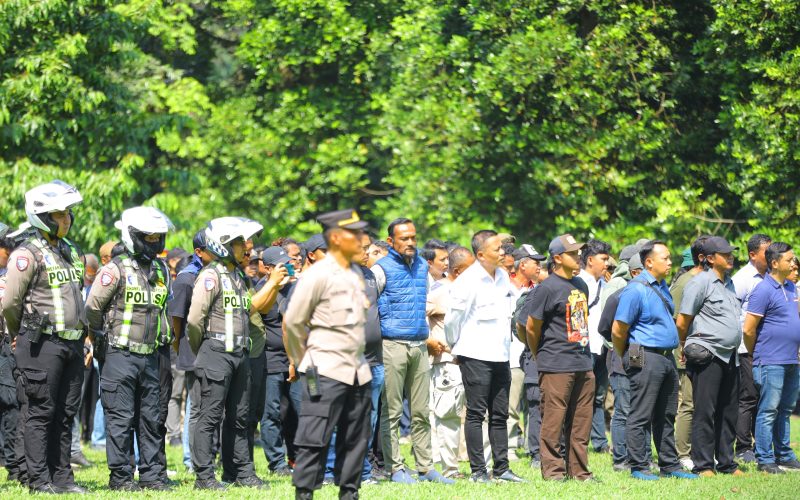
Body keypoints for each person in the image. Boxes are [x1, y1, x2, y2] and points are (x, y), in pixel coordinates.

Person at [2, 180, 88, 494]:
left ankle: (62, 478)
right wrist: (18, 333)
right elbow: (10, 302)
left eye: (68, 214)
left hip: (73, 343)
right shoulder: (26, 254)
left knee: (65, 414)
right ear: (43, 217)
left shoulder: (71, 250)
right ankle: (38, 480)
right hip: (40, 344)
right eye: (59, 214)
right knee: (39, 412)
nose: (67, 219)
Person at [284, 209, 373, 500]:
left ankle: (349, 493)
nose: (361, 239)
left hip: (358, 371)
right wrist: (304, 360)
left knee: (357, 439)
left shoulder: (355, 272)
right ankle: (305, 493)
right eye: (355, 234)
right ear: (336, 237)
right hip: (323, 370)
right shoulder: (318, 275)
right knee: (314, 438)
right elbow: (294, 322)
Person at [84, 206, 175, 491]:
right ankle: (121, 477)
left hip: (151, 357)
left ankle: (153, 475)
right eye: (148, 238)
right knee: (120, 419)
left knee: (151, 418)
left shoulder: (162, 270)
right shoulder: (114, 270)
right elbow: (92, 310)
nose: (155, 243)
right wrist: (102, 340)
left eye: (158, 237)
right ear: (132, 236)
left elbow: (164, 311)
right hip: (119, 355)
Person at [186, 217, 268, 490]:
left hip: (240, 354)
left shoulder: (239, 276)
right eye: (237, 244)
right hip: (216, 351)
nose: (245, 248)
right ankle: (204, 477)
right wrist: (205, 350)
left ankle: (241, 473)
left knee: (240, 417)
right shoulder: (210, 275)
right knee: (209, 416)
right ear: (221, 246)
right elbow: (195, 320)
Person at [612, 240, 698, 481]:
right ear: (649, 262)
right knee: (640, 414)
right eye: (665, 258)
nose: (670, 262)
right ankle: (639, 466)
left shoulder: (662, 287)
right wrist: (626, 355)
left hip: (666, 358)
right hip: (645, 355)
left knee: (666, 414)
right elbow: (619, 329)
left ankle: (669, 465)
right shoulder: (635, 289)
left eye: (670, 258)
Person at [373, 218, 450, 484]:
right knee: (392, 412)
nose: (410, 243)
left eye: (413, 238)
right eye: (404, 238)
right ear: (391, 240)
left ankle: (426, 468)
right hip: (391, 345)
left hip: (419, 345)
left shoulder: (421, 266)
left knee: (421, 412)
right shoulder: (380, 269)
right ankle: (395, 469)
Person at [444, 230, 524, 483]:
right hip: (475, 354)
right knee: (476, 413)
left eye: (502, 248)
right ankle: (479, 471)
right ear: (480, 254)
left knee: (499, 414)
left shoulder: (502, 277)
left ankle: (501, 468)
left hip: (501, 354)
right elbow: (452, 320)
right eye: (497, 249)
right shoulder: (468, 281)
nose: (503, 252)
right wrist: (457, 348)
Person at [525, 234, 596, 482]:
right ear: (557, 258)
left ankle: (579, 472)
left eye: (579, 252)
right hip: (555, 364)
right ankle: (554, 472)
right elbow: (532, 328)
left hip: (583, 363)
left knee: (581, 422)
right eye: (573, 253)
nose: (579, 257)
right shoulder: (547, 288)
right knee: (554, 421)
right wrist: (540, 354)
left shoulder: (581, 285)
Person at [675, 236, 743, 477]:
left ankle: (727, 463)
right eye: (725, 254)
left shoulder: (730, 283)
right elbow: (683, 321)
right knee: (705, 411)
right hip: (708, 354)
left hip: (730, 356)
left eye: (731, 252)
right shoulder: (700, 282)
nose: (731, 256)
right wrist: (684, 346)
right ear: (710, 258)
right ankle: (704, 465)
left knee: (728, 412)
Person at [742, 241, 800, 474]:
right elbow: (748, 329)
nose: (794, 262)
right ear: (774, 263)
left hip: (791, 360)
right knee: (768, 410)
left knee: (785, 409)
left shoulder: (791, 287)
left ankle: (784, 455)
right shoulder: (763, 290)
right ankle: (765, 459)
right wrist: (757, 354)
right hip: (770, 361)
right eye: (789, 259)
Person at [168, 230, 215, 473]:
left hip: (213, 350)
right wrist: (178, 345)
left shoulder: (215, 274)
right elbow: (178, 318)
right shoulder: (187, 278)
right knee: (194, 408)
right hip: (191, 350)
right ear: (199, 252)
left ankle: (206, 456)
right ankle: (191, 460)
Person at [598, 252, 646, 471]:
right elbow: (605, 328)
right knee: (623, 409)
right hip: (620, 355)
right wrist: (621, 346)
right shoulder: (619, 295)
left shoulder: (650, 294)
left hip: (643, 355)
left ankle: (641, 456)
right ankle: (620, 459)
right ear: (635, 272)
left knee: (641, 408)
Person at [256, 246, 299, 476]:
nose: (286, 269)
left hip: (299, 360)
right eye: (281, 266)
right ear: (268, 269)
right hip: (271, 360)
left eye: (288, 264)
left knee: (301, 410)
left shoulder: (296, 287)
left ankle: (300, 458)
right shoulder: (262, 290)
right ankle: (277, 463)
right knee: (271, 413)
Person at [731, 233, 771, 463]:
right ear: (752, 254)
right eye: (767, 252)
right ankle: (743, 447)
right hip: (746, 348)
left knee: (763, 396)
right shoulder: (743, 278)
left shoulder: (770, 277)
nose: (771, 255)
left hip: (765, 349)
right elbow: (734, 314)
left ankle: (761, 444)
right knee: (748, 397)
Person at [512, 244, 547, 468]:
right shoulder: (505, 285)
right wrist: (532, 345)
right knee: (533, 405)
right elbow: (520, 325)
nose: (540, 265)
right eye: (535, 261)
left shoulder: (540, 288)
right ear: (523, 264)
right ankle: (535, 452)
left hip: (542, 356)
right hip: (522, 356)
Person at [577, 238, 612, 454]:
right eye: (604, 259)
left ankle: (599, 443)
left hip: (602, 347)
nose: (607, 263)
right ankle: (577, 440)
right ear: (590, 260)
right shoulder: (578, 283)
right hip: (584, 347)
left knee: (598, 397)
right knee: (581, 396)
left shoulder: (605, 284)